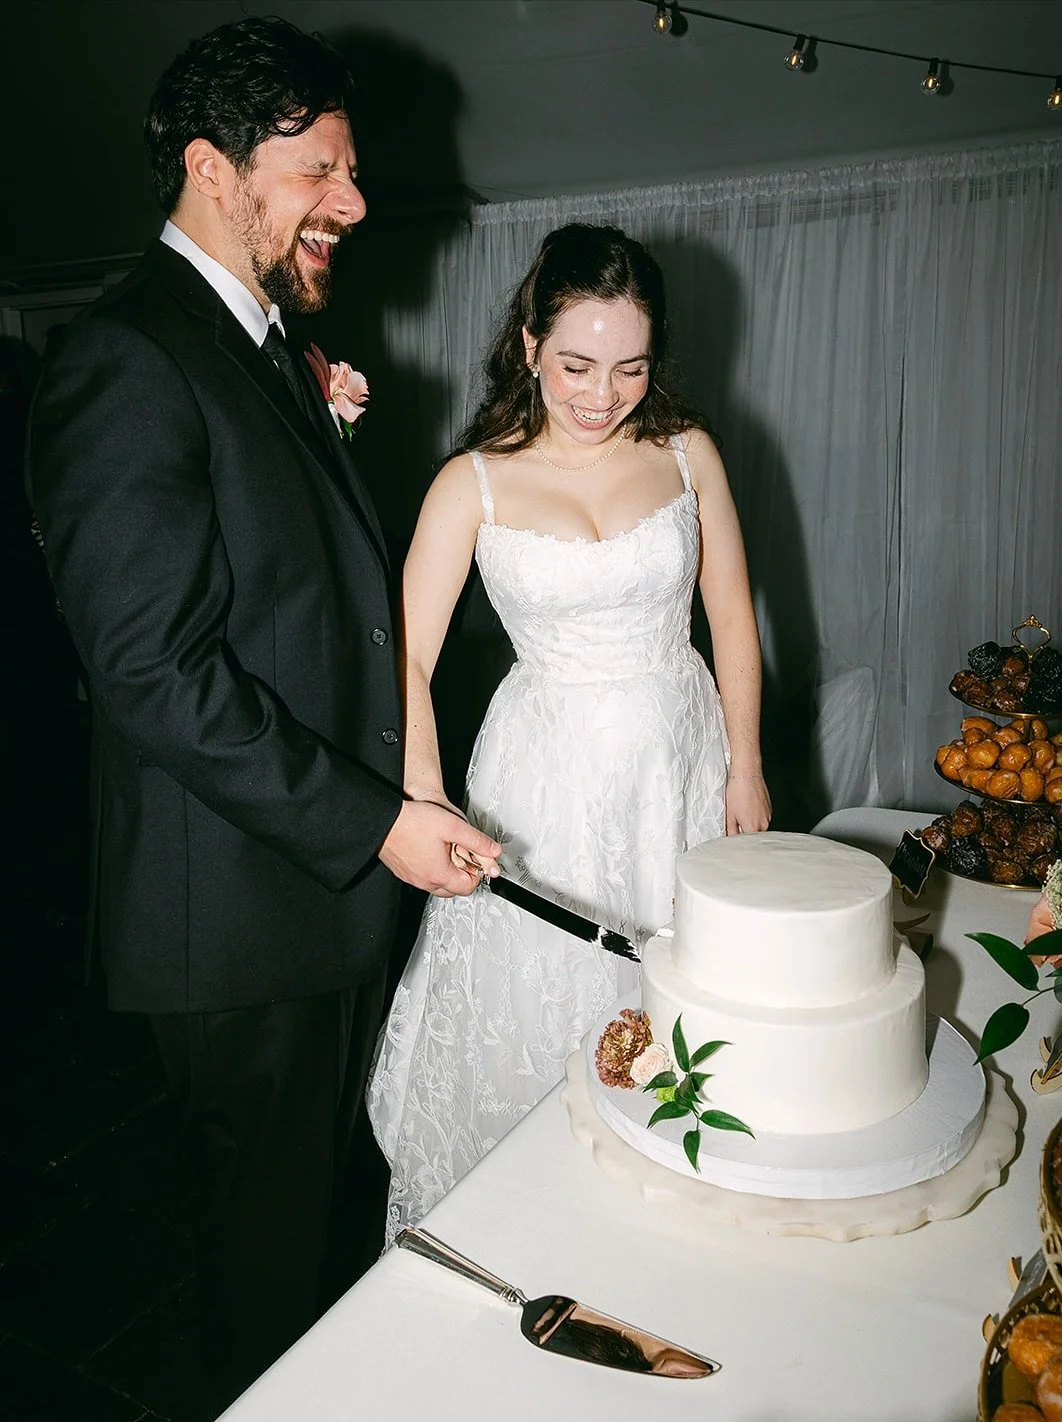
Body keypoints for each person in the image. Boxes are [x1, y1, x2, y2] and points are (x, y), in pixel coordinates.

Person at [25, 17, 498, 1409]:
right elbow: (153, 672)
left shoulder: (267, 345)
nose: (353, 201)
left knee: (313, 1246)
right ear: (212, 167)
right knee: (263, 1280)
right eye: (320, 168)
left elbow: (319, 616)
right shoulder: (125, 357)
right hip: (233, 922)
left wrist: (397, 804)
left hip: (307, 890)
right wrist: (375, 825)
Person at [367, 223, 771, 1244]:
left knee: (689, 1020)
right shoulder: (473, 482)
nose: (601, 393)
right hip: (539, 783)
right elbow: (404, 658)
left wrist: (748, 766)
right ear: (528, 343)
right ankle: (542, 1244)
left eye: (629, 367)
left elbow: (729, 617)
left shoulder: (688, 455)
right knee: (545, 1017)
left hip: (678, 763)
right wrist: (424, 796)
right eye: (577, 364)